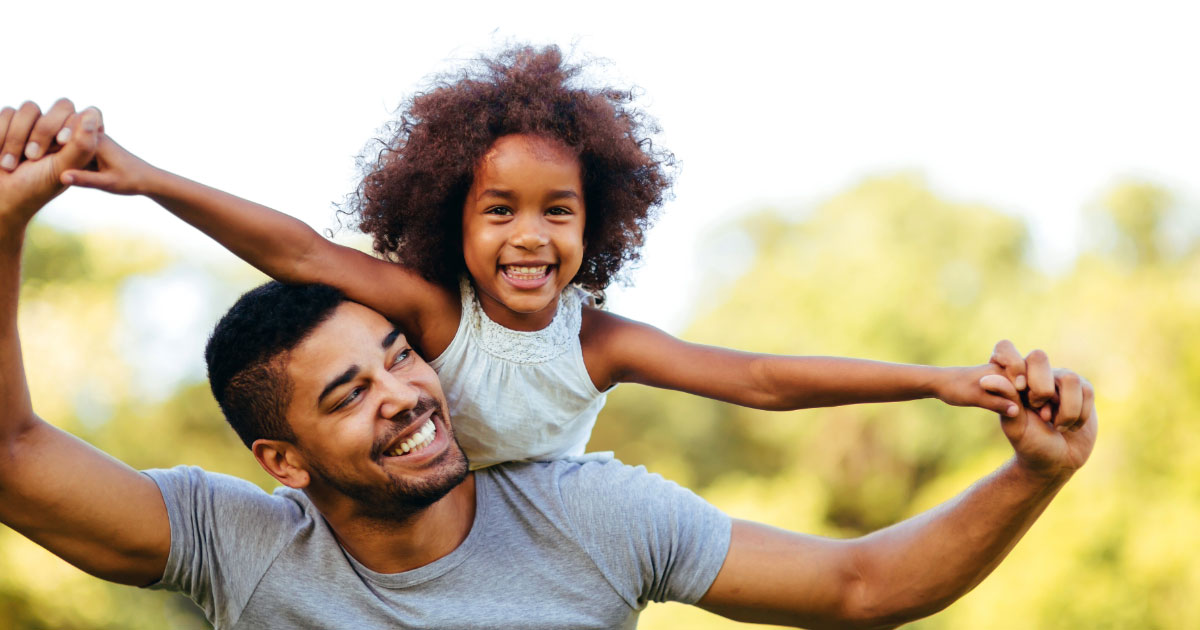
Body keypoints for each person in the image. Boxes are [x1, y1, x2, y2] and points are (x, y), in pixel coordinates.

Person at [1, 101, 1097, 629]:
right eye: (350, 393)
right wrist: (34, 214)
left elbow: (860, 583)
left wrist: (1027, 467)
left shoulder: (594, 513)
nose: (406, 393)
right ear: (283, 459)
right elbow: (12, 455)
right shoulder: (235, 543)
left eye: (396, 359)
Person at [39, 45, 1040, 470]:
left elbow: (760, 379)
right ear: (449, 222)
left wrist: (941, 383)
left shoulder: (596, 341)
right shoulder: (433, 318)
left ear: (594, 224)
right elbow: (298, 247)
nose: (529, 237)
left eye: (557, 211)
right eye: (499, 211)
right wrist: (147, 178)